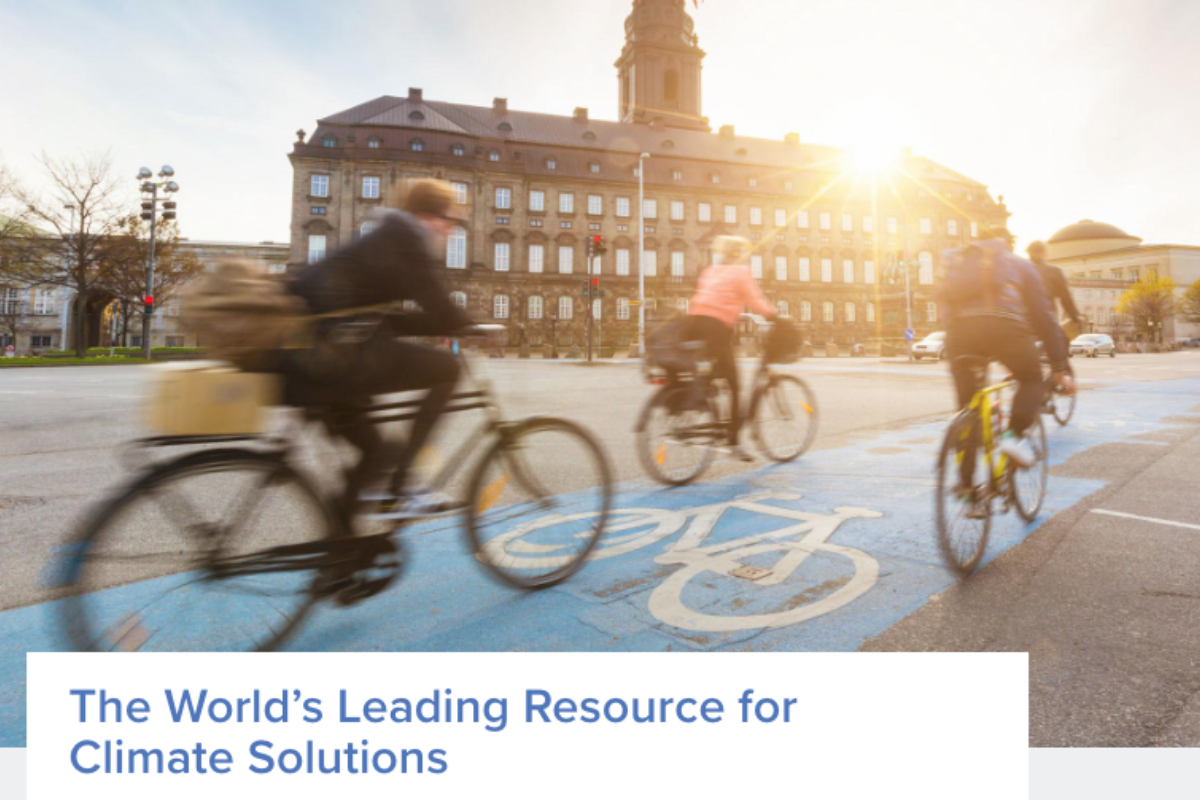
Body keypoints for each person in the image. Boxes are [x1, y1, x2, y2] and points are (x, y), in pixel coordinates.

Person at [282, 179, 474, 531]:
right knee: (447, 368)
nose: (451, 228)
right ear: (427, 215)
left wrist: (450, 324)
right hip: (328, 358)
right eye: (449, 219)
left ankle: (339, 559)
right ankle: (402, 485)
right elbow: (439, 308)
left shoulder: (389, 235)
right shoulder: (405, 240)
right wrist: (470, 325)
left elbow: (390, 319)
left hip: (313, 357)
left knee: (376, 455)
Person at [940, 224, 1074, 505]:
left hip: (960, 335)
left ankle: (966, 490)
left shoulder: (957, 261)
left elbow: (943, 303)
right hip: (1006, 329)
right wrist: (1059, 366)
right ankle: (1013, 437)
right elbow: (1044, 318)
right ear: (1006, 243)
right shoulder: (1020, 266)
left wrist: (954, 338)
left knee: (968, 407)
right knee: (1031, 378)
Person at [684, 235, 776, 462]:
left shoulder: (709, 271)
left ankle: (703, 395)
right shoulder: (740, 272)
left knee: (713, 372)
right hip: (716, 328)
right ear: (738, 254)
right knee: (735, 385)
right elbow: (755, 301)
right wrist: (776, 316)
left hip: (694, 324)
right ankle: (734, 441)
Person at [1027, 240, 1082, 398]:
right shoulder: (1053, 271)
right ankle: (1055, 379)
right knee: (1062, 342)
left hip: (1020, 323)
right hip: (1044, 322)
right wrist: (1074, 316)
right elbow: (1065, 297)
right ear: (1045, 253)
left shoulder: (1021, 269)